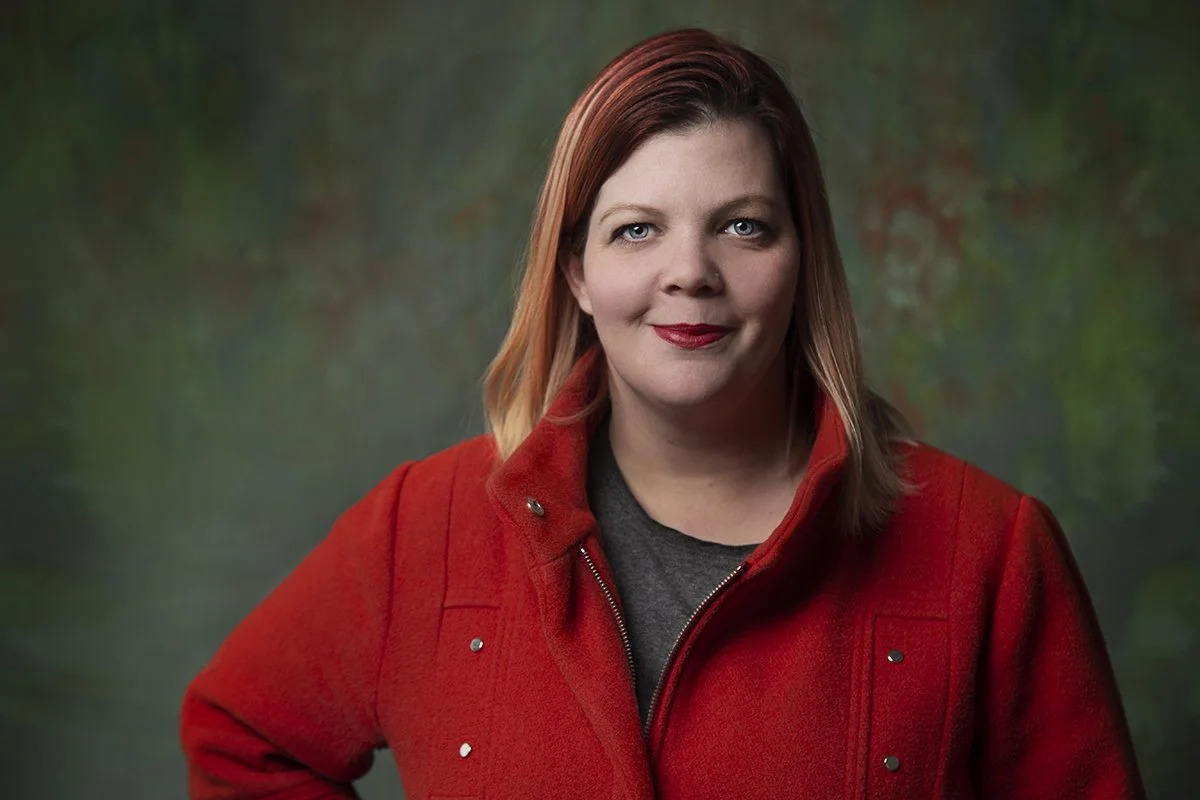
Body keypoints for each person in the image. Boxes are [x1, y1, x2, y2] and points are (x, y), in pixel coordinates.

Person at [180, 28, 1145, 799]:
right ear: (577, 272)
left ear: (802, 260)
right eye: (636, 229)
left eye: (744, 226)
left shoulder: (991, 551)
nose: (690, 272)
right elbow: (242, 737)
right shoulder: (420, 528)